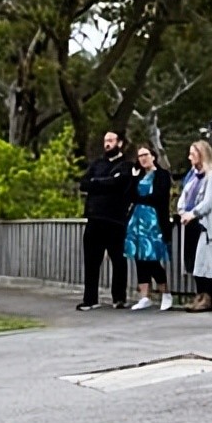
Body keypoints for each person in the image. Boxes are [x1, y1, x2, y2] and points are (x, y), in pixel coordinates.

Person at [77, 130, 134, 311]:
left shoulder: (126, 166)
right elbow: (84, 184)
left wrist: (98, 183)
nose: (107, 144)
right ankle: (90, 299)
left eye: (111, 140)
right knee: (91, 260)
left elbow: (120, 184)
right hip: (94, 218)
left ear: (120, 143)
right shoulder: (97, 164)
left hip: (115, 220)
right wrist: (104, 182)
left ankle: (119, 298)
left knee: (118, 260)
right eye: (105, 141)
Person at [125, 144, 173, 311]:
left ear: (153, 156)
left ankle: (165, 293)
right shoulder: (138, 176)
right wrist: (133, 179)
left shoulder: (162, 175)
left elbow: (159, 197)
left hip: (154, 221)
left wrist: (141, 199)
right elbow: (129, 195)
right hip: (137, 220)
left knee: (152, 259)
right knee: (139, 258)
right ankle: (144, 296)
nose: (143, 158)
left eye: (145, 154)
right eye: (140, 156)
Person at [178, 140, 212, 312]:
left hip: (204, 223)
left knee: (207, 262)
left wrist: (193, 213)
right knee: (195, 262)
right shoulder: (193, 175)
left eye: (192, 154)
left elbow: (209, 202)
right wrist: (182, 210)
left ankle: (208, 297)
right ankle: (199, 295)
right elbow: (185, 194)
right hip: (190, 222)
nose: (190, 158)